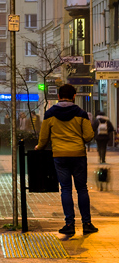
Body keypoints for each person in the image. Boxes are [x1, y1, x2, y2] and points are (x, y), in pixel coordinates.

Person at [36, 84, 97, 237]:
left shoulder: (50, 114)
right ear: (74, 96)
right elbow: (89, 136)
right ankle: (87, 223)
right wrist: (78, 138)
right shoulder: (81, 114)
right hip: (78, 154)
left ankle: (69, 224)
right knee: (82, 189)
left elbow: (43, 138)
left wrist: (39, 147)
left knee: (66, 189)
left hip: (60, 155)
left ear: (58, 96)